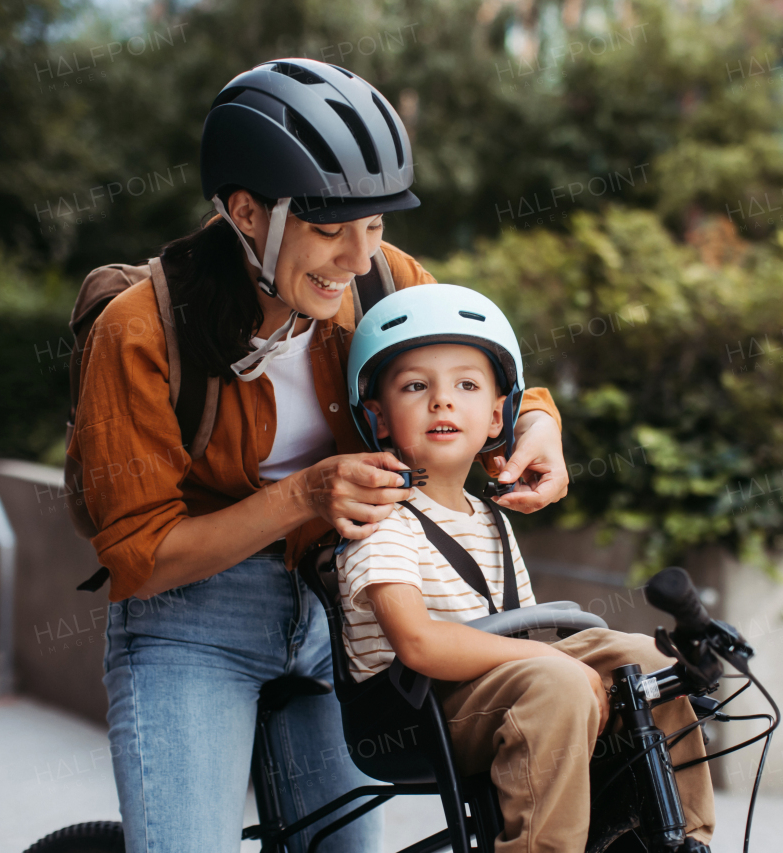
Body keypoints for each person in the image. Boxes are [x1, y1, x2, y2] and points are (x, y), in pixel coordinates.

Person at [67, 59, 569, 853]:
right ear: (246, 213)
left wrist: (538, 423)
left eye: (374, 226)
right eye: (331, 230)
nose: (359, 258)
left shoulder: (382, 282)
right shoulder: (139, 330)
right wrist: (302, 496)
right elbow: (136, 555)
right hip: (191, 621)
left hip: (344, 612)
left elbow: (470, 376)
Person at [336, 284, 715, 853]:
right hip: (415, 710)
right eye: (416, 387)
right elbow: (417, 643)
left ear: (496, 418)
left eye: (465, 385)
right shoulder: (383, 517)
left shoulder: (491, 517)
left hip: (489, 689)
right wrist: (548, 659)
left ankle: (681, 837)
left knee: (647, 659)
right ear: (378, 417)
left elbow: (515, 630)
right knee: (557, 680)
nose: (442, 401)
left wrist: (562, 655)